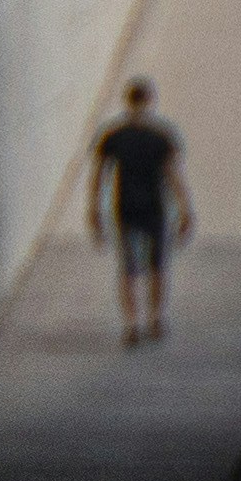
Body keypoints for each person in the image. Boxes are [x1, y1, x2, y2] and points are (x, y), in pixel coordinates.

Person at [88, 80, 193, 345]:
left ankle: (132, 325)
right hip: (154, 208)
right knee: (157, 265)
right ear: (149, 101)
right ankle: (155, 320)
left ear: (127, 101)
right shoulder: (161, 137)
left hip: (125, 208)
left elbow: (98, 176)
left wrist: (93, 211)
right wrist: (185, 210)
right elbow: (173, 175)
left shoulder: (113, 136)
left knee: (128, 269)